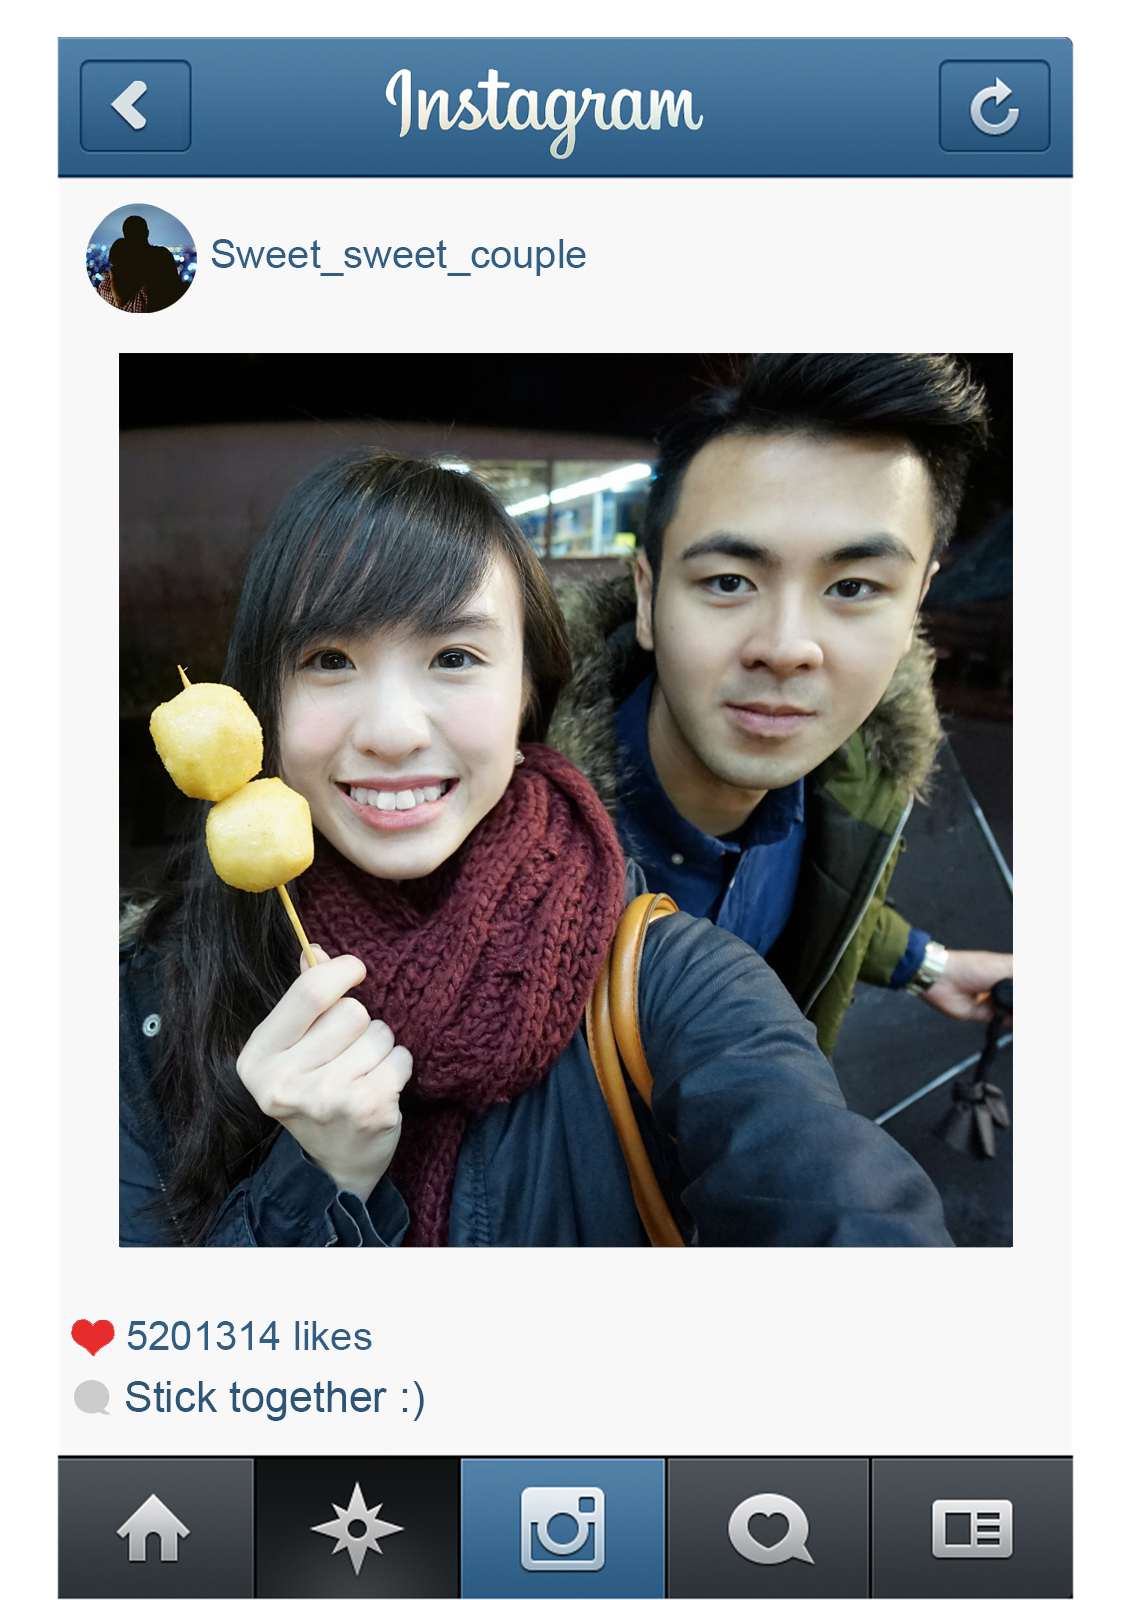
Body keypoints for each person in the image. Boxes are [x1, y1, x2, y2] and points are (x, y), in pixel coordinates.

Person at [120, 452, 953, 1248]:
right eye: (329, 660)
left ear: (527, 694)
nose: (392, 732)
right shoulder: (144, 1001)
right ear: (262, 699)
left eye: (454, 657)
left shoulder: (668, 981)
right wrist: (312, 1189)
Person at [550, 354, 1013, 1057]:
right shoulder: (476, 802)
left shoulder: (860, 781)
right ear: (647, 596)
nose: (786, 647)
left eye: (854, 588)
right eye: (729, 581)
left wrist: (926, 965)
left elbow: (831, 891)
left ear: (914, 609)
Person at [97, 214, 187, 313]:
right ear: (146, 233)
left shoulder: (128, 260)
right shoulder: (162, 254)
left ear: (125, 236)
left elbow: (120, 299)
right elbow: (175, 287)